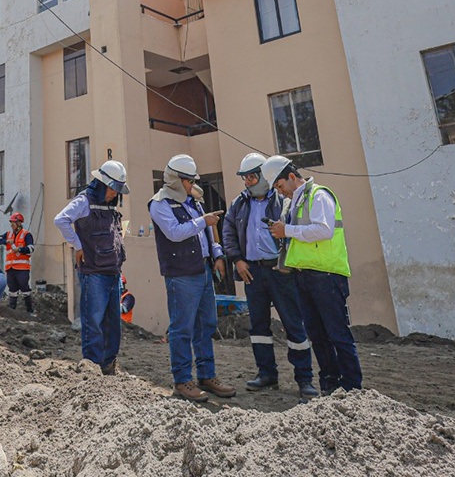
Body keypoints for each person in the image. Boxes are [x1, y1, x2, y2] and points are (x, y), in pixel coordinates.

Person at [264, 155, 362, 395]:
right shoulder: (293, 203)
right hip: (303, 276)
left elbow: (324, 230)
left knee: (337, 334)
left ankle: (352, 389)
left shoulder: (318, 195)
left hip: (326, 275)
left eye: (280, 186)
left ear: (291, 176)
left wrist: (287, 230)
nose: (281, 192)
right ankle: (329, 385)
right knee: (317, 336)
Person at [223, 153, 316, 399]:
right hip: (252, 272)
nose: (248, 183)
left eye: (252, 177)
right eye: (245, 179)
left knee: (293, 324)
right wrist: (238, 260)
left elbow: (295, 231)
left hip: (280, 271)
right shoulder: (239, 204)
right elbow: (228, 232)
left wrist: (286, 261)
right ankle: (266, 374)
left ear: (264, 177)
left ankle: (304, 379)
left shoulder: (283, 202)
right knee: (258, 326)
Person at [150, 154, 235, 402]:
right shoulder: (160, 204)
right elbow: (175, 233)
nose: (191, 185)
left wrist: (217, 253)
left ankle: (207, 375)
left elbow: (208, 232)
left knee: (206, 324)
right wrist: (202, 221)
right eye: (188, 181)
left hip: (203, 270)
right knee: (182, 328)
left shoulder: (192, 201)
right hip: (182, 274)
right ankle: (183, 380)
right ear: (175, 180)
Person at [54, 159, 129, 375]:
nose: (115, 193)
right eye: (113, 188)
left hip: (113, 273)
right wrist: (77, 245)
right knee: (93, 323)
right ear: (103, 183)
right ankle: (92, 368)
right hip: (94, 274)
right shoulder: (84, 201)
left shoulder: (109, 205)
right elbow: (61, 220)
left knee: (113, 323)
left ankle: (108, 364)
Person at [0, 212, 36, 314]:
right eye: (11, 222)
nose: (12, 225)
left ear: (19, 223)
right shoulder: (9, 234)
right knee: (12, 289)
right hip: (11, 268)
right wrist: (6, 241)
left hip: (22, 268)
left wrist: (20, 249)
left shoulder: (26, 234)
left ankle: (29, 310)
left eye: (14, 222)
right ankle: (12, 311)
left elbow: (31, 248)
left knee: (24, 288)